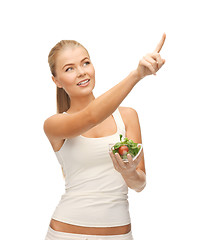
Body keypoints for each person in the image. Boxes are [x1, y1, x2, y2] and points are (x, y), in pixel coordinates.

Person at [44, 33, 166, 240]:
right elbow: (91, 116)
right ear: (56, 80)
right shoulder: (54, 125)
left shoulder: (128, 116)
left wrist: (128, 172)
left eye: (85, 63)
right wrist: (137, 74)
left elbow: (140, 184)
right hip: (65, 233)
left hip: (118, 234)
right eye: (69, 68)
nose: (82, 72)